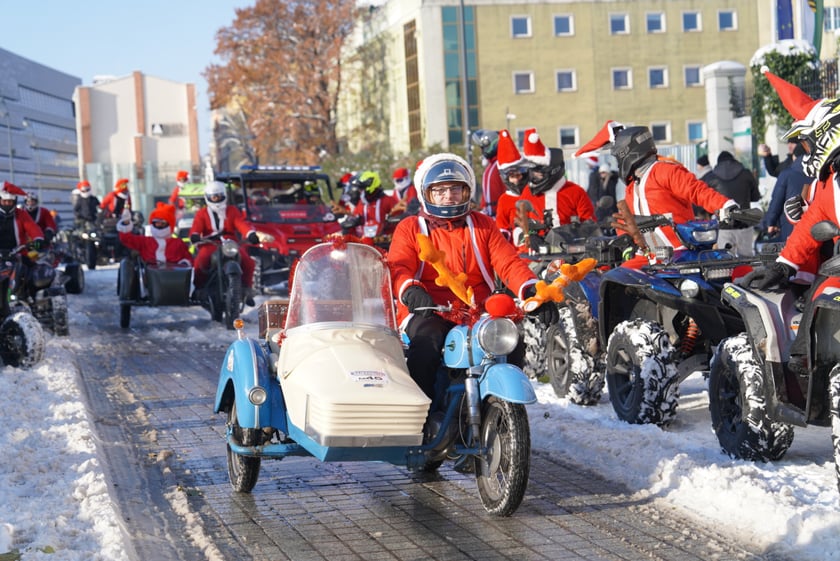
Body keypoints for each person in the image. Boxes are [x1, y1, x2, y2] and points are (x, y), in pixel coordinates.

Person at [388, 153, 558, 401]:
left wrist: (531, 289)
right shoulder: (411, 227)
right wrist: (410, 290)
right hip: (427, 308)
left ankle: (501, 401)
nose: (449, 196)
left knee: (510, 340)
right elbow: (398, 266)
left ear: (467, 191)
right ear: (426, 193)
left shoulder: (482, 224)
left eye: (456, 189)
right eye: (440, 190)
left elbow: (508, 262)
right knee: (427, 342)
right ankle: (421, 414)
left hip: (476, 309)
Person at [741, 68, 840, 375]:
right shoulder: (827, 183)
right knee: (818, 301)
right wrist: (784, 265)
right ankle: (806, 365)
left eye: (806, 144)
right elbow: (810, 224)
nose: (804, 152)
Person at [575, 121, 739, 268]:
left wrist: (725, 206)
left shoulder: (665, 170)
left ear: (627, 153)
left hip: (680, 251)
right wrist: (623, 242)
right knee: (614, 281)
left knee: (734, 270)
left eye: (618, 156)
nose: (617, 162)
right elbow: (628, 220)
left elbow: (696, 190)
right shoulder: (632, 187)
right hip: (649, 256)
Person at [189, 181, 261, 307]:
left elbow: (241, 223)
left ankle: (246, 289)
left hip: (230, 242)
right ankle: (198, 288)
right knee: (201, 259)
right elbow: (196, 226)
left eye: (219, 196)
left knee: (247, 261)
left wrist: (250, 234)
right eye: (213, 197)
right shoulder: (202, 213)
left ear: (224, 196)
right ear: (208, 197)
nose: (216, 199)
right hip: (210, 242)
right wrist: (195, 235)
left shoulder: (232, 210)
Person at [520, 128, 595, 226]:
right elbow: (519, 223)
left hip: (570, 240)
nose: (535, 176)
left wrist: (577, 231)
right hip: (538, 240)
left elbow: (590, 223)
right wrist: (529, 236)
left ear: (553, 170)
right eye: (533, 172)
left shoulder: (576, 192)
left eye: (539, 172)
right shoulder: (527, 193)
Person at [758, 143, 812, 243]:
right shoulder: (819, 173)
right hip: (816, 226)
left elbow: (776, 201)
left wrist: (771, 223)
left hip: (791, 226)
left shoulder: (786, 174)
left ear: (794, 157)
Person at [712, 150, 761, 257]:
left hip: (724, 223)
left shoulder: (712, 177)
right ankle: (746, 273)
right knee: (746, 258)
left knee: (725, 258)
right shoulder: (746, 173)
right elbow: (756, 197)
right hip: (744, 221)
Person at [116, 202, 193, 266]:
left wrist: (184, 263)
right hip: (150, 278)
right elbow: (126, 239)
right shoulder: (145, 241)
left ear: (169, 225)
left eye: (162, 223)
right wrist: (125, 223)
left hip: (173, 278)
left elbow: (188, 258)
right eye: (156, 223)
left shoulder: (177, 243)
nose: (159, 226)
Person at [493, 129, 534, 242]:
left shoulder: (534, 193)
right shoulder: (504, 200)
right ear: (506, 179)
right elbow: (502, 225)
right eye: (512, 176)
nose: (516, 180)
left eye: (518, 175)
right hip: (516, 249)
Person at [0, 182, 44, 253]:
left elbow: (32, 228)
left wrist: (38, 240)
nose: (7, 204)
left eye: (10, 201)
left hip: (18, 253)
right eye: (4, 201)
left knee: (33, 263)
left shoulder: (21, 213)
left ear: (15, 202)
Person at [471, 129, 506, 217]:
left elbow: (493, 202)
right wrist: (481, 208)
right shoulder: (494, 165)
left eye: (483, 147)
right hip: (496, 215)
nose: (482, 151)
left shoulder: (496, 166)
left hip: (497, 218)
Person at [693, 155, 719, 220]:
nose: (697, 167)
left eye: (698, 165)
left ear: (701, 165)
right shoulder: (712, 173)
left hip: (706, 207)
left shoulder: (704, 177)